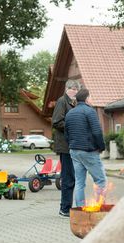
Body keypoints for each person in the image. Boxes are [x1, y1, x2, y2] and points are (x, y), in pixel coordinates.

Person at [64, 88, 107, 207]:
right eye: (91, 97)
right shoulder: (90, 111)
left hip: (74, 151)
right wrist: (101, 147)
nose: (92, 99)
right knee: (100, 180)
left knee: (79, 182)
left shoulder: (70, 113)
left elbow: (66, 133)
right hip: (88, 151)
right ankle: (100, 207)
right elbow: (97, 132)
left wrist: (72, 145)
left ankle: (79, 209)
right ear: (87, 98)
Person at [52, 79, 80, 217]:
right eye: (72, 88)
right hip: (65, 146)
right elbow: (56, 121)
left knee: (72, 177)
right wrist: (73, 126)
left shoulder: (74, 103)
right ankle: (64, 208)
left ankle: (67, 207)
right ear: (66, 89)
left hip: (73, 145)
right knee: (68, 178)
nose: (75, 91)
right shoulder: (62, 101)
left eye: (76, 89)